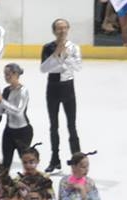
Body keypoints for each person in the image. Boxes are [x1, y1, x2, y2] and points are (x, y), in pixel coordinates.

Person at [40, 19, 82, 173]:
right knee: (54, 126)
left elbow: (78, 66)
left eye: (64, 28)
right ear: (54, 31)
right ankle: (54, 159)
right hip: (53, 88)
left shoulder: (74, 48)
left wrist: (62, 61)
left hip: (68, 87)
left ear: (68, 29)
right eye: (59, 28)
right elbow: (44, 68)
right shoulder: (48, 47)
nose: (62, 31)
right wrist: (57, 54)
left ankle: (77, 159)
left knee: (71, 125)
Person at [0, 64, 33, 173]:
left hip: (23, 131)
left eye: (8, 74)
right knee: (6, 162)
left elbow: (18, 111)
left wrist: (2, 101)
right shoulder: (6, 90)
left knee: (26, 161)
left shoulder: (23, 91)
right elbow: (0, 111)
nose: (6, 77)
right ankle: (4, 186)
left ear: (16, 74)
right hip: (9, 131)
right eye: (5, 74)